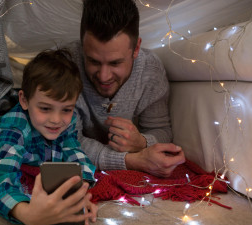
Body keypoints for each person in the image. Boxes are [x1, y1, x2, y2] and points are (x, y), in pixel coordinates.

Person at [66, 0, 185, 177]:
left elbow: (161, 129)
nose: (104, 76)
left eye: (115, 63)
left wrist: (142, 142)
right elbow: (66, 141)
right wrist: (131, 161)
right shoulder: (64, 65)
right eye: (93, 61)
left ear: (136, 48)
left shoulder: (150, 70)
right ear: (83, 47)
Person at [0, 49, 97, 225]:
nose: (56, 120)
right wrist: (28, 214)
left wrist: (77, 192)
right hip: (3, 137)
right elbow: (0, 179)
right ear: (24, 100)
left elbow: (75, 153)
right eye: (45, 108)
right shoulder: (14, 129)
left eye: (66, 109)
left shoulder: (66, 123)